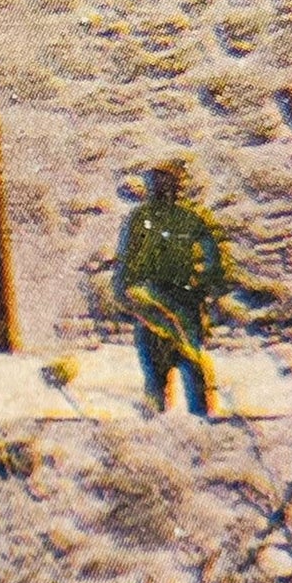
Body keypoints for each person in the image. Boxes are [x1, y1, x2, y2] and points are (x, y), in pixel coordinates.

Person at [113, 159, 225, 417]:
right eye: (156, 182)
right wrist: (128, 292)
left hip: (185, 306)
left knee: (194, 368)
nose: (160, 188)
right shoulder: (139, 220)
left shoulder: (190, 220)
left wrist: (205, 287)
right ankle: (155, 434)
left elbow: (213, 259)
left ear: (177, 187)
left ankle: (206, 426)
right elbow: (126, 262)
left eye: (167, 182)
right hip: (152, 305)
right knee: (154, 377)